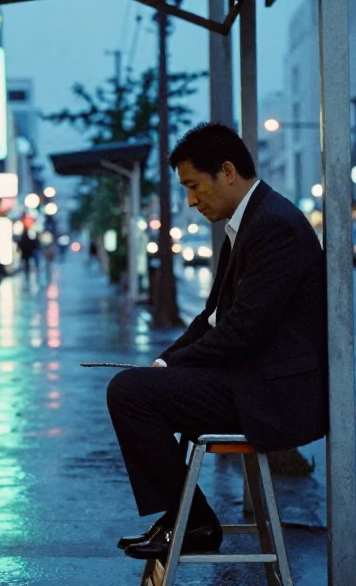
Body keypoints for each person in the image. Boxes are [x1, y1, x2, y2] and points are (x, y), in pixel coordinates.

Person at [107, 122, 328, 560]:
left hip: (275, 393)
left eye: (193, 185)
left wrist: (171, 368)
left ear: (227, 171)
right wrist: (165, 362)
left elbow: (246, 330)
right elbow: (210, 319)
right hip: (253, 378)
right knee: (139, 386)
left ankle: (192, 522)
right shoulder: (250, 221)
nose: (191, 200)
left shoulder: (273, 226)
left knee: (130, 394)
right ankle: (182, 516)